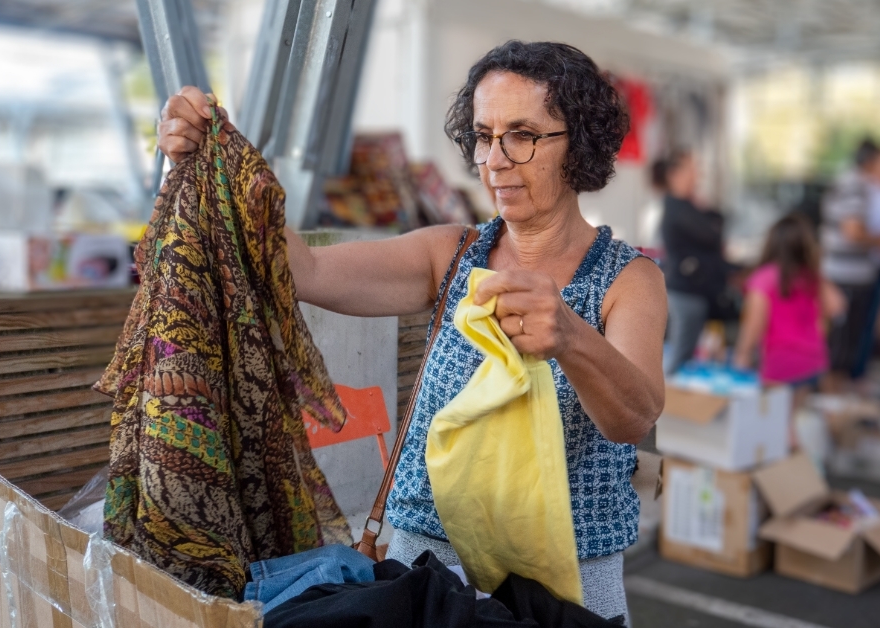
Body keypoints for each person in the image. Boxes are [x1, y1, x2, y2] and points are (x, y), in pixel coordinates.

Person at [157, 40, 667, 621]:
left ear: (580, 142)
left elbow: (635, 416)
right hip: (428, 567)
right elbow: (305, 269)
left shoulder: (628, 279)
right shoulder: (449, 255)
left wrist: (571, 338)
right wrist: (211, 158)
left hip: (566, 583)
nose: (495, 160)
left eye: (522, 135)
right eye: (483, 135)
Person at [820, 138, 880, 390]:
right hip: (846, 274)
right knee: (842, 342)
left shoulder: (857, 185)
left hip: (853, 273)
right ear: (871, 161)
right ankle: (834, 396)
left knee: (849, 340)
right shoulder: (855, 186)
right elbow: (853, 231)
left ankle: (842, 391)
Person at [732, 214, 845, 389]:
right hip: (812, 360)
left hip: (779, 362)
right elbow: (837, 305)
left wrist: (743, 353)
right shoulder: (811, 277)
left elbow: (754, 322)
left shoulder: (764, 277)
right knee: (794, 413)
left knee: (774, 413)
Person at [654, 151, 728, 375]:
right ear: (674, 174)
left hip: (698, 290)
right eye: (691, 169)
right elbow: (713, 234)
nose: (697, 175)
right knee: (681, 355)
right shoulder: (677, 209)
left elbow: (718, 224)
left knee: (692, 353)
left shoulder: (689, 207)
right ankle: (669, 401)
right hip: (685, 291)